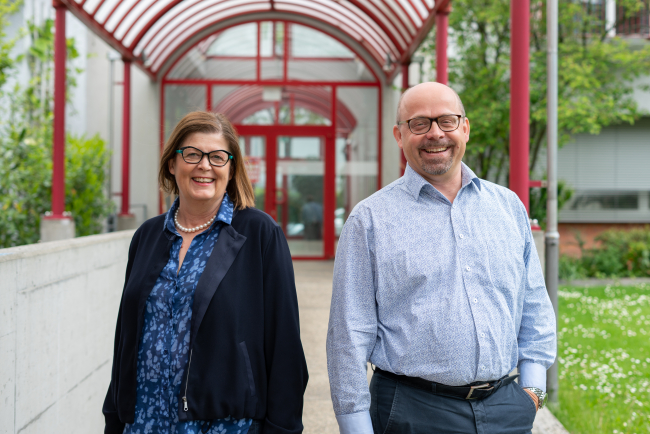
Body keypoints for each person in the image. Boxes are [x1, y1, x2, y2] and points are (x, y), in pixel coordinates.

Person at [326, 82, 556, 434]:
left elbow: (535, 306)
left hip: (506, 410)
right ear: (399, 136)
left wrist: (532, 394)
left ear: (465, 128)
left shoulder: (508, 207)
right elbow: (348, 334)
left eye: (447, 121)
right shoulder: (369, 220)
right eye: (419, 124)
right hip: (411, 412)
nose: (435, 134)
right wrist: (355, 427)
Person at [103, 111, 308, 434]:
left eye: (217, 157)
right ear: (173, 164)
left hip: (225, 425)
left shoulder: (258, 233)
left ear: (231, 168)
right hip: (144, 420)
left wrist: (282, 427)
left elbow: (284, 343)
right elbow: (126, 337)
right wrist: (114, 414)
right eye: (193, 154)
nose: (205, 166)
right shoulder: (147, 235)